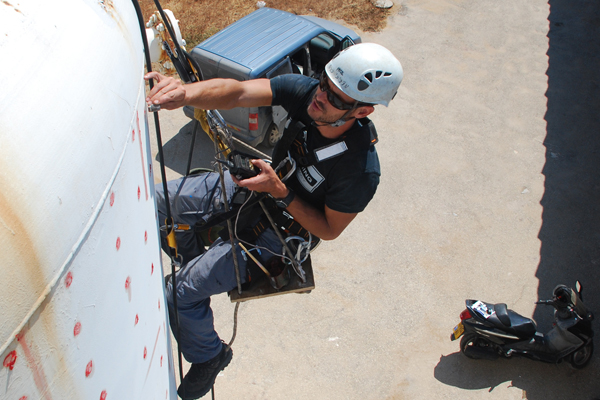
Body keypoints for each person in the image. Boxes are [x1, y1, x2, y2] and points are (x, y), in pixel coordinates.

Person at [145, 42, 403, 399]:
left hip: (280, 235)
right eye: (325, 84)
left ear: (362, 111)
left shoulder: (359, 170)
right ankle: (190, 254)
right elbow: (237, 93)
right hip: (260, 186)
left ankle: (209, 356)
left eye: (336, 99)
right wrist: (185, 92)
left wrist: (282, 192)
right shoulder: (310, 94)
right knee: (155, 202)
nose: (322, 98)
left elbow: (329, 230)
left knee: (178, 294)